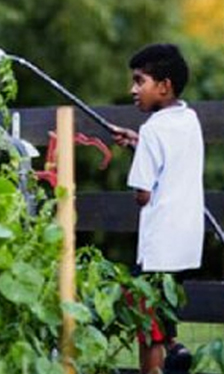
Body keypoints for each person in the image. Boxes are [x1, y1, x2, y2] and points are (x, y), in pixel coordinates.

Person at [111, 43, 203, 374]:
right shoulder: (189, 119)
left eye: (139, 81)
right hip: (186, 242)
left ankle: (167, 359)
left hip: (158, 245)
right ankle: (176, 350)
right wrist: (138, 142)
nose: (132, 90)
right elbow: (173, 156)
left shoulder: (153, 131)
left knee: (145, 319)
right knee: (162, 308)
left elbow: (143, 195)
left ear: (163, 86)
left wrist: (141, 146)